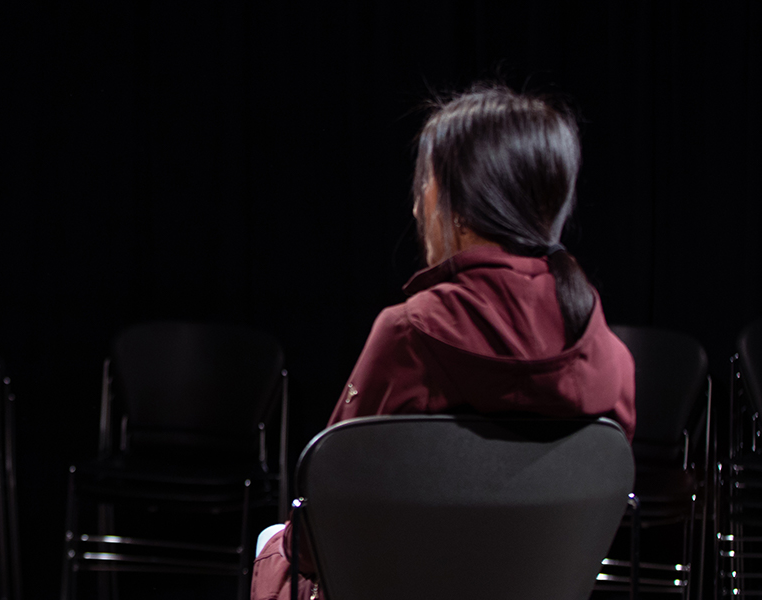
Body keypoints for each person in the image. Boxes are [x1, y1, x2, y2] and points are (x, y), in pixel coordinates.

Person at [247, 84, 637, 600]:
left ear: (454, 201)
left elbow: (321, 533)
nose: (415, 208)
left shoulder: (410, 333)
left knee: (273, 541)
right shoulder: (610, 357)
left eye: (424, 184)